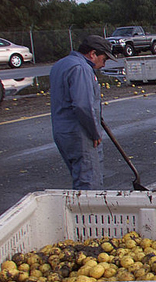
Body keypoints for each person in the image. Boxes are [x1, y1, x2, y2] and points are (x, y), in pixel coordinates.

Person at [49, 35, 115, 189]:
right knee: (89, 183)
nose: (103, 64)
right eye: (104, 59)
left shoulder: (61, 64)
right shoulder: (82, 68)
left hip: (63, 133)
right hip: (80, 134)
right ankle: (90, 213)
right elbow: (82, 105)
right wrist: (94, 133)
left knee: (79, 177)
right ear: (92, 54)